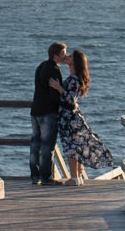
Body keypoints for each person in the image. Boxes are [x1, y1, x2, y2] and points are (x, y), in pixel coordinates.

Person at [57, 49, 115, 184]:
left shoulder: (73, 79)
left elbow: (70, 99)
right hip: (72, 116)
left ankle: (74, 177)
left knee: (70, 146)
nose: (67, 57)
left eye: (70, 56)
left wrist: (58, 88)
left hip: (68, 118)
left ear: (75, 61)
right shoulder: (75, 78)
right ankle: (77, 177)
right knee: (76, 145)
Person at [29, 41, 68, 185]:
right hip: (47, 112)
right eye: (63, 53)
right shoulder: (54, 70)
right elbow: (53, 95)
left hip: (35, 110)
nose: (66, 56)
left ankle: (34, 176)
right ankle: (46, 177)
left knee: (35, 144)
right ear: (55, 55)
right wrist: (66, 102)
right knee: (47, 145)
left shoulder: (41, 66)